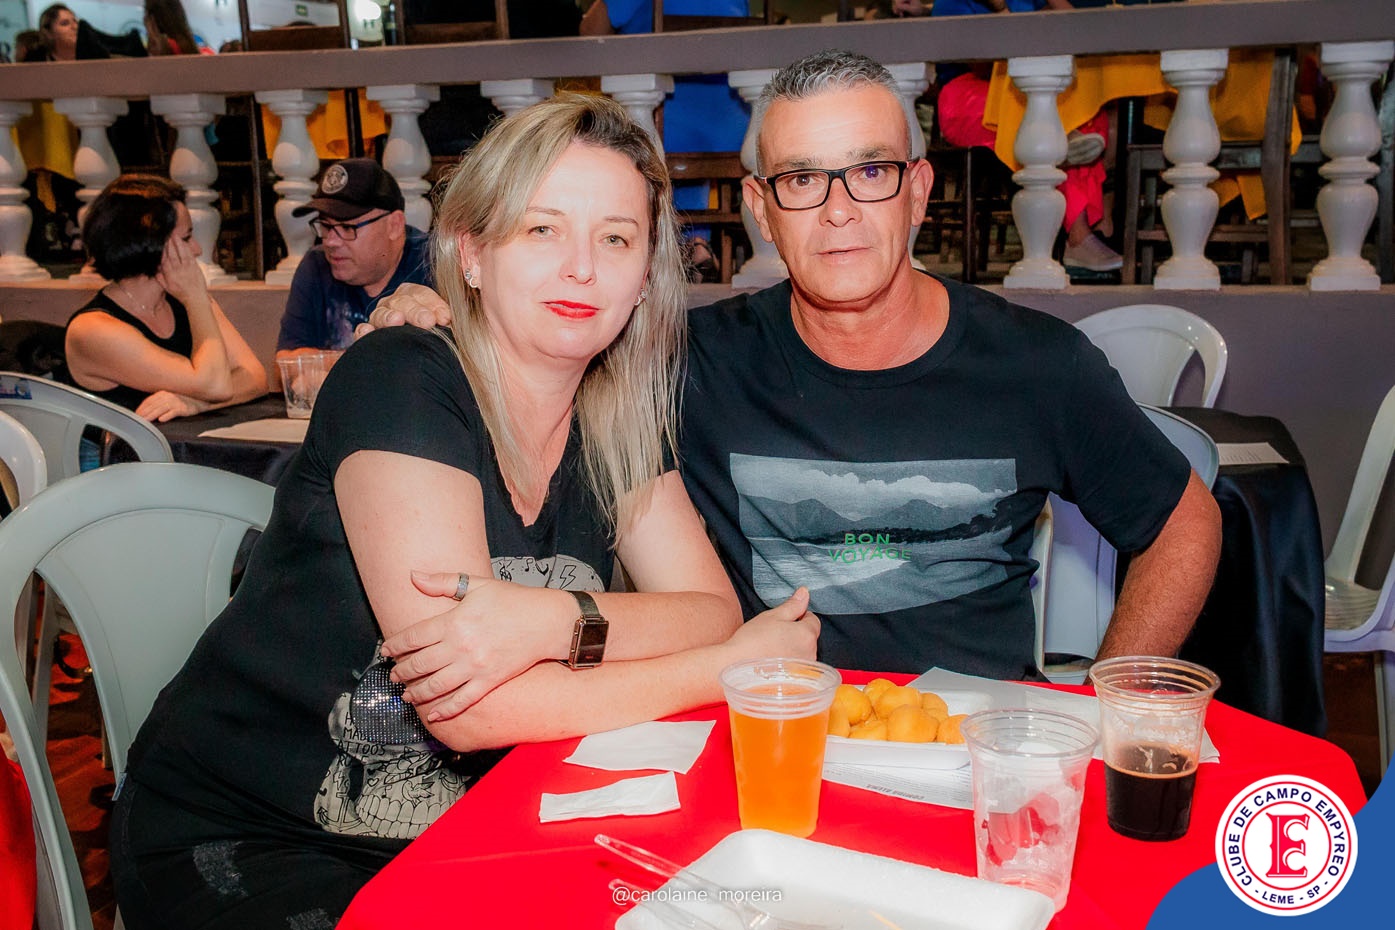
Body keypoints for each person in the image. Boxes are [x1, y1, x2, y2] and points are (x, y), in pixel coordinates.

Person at [110, 93, 815, 929]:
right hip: (258, 830)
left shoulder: (617, 421)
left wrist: (550, 622)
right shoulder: (402, 376)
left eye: (616, 239)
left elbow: (708, 610)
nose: (582, 268)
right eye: (542, 229)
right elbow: (475, 710)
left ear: (644, 277)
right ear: (471, 251)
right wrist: (736, 667)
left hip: (468, 828)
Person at [371, 49, 1222, 684]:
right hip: (765, 736)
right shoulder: (682, 362)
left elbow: (1183, 523)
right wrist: (441, 314)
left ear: (918, 191)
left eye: (870, 172)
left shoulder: (1037, 365)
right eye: (802, 179)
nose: (839, 211)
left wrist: (1111, 698)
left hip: (973, 751)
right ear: (761, 209)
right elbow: (539, 355)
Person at [931, 0, 1123, 273]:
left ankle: (1094, 225)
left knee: (1085, 112)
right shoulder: (951, 3)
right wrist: (1001, 11)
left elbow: (1079, 27)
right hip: (970, 94)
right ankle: (1079, 235)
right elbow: (983, 64)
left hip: (1027, 91)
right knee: (1047, 123)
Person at [63, 175, 266, 424]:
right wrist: (196, 298)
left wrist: (194, 403)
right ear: (149, 245)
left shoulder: (184, 300)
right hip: (122, 448)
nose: (197, 250)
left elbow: (255, 377)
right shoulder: (93, 330)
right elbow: (216, 386)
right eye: (186, 238)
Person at [275, 158, 432, 359]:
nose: (330, 242)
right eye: (326, 226)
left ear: (394, 225)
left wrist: (323, 364)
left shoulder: (436, 265)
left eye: (347, 227)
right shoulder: (316, 264)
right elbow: (286, 361)